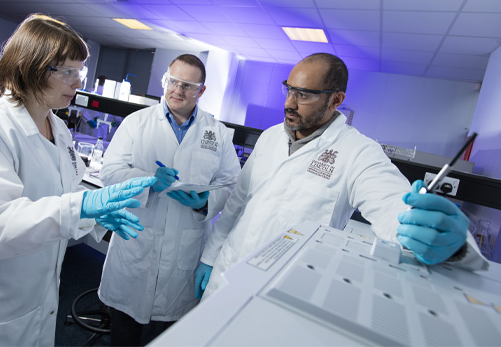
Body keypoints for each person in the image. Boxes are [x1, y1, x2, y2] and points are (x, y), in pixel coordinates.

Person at [0, 14, 156, 346]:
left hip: (38, 297)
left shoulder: (57, 128)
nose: (78, 83)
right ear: (30, 68)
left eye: (80, 72)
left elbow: (63, 192)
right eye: (68, 72)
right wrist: (81, 206)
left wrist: (91, 213)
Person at [195, 52, 488, 300]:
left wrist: (449, 242)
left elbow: (393, 207)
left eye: (304, 95)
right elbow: (237, 203)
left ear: (336, 100)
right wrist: (210, 258)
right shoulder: (271, 136)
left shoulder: (359, 152)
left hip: (282, 288)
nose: (289, 103)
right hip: (227, 271)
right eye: (289, 89)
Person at [98, 54, 241, 345]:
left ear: (201, 91)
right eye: (173, 81)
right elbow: (109, 172)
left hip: (184, 250)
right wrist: (147, 180)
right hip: (136, 242)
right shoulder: (136, 122)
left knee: (169, 336)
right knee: (125, 332)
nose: (178, 90)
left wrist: (204, 202)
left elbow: (232, 185)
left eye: (188, 85)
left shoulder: (217, 133)